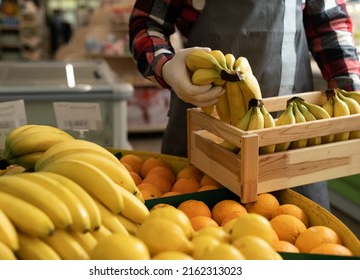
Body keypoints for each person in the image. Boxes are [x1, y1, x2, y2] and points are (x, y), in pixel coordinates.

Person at [128, 0, 360, 211]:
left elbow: (328, 23)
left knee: (301, 237)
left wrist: (351, 93)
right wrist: (166, 67)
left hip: (295, 135)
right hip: (205, 130)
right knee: (194, 235)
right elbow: (147, 21)